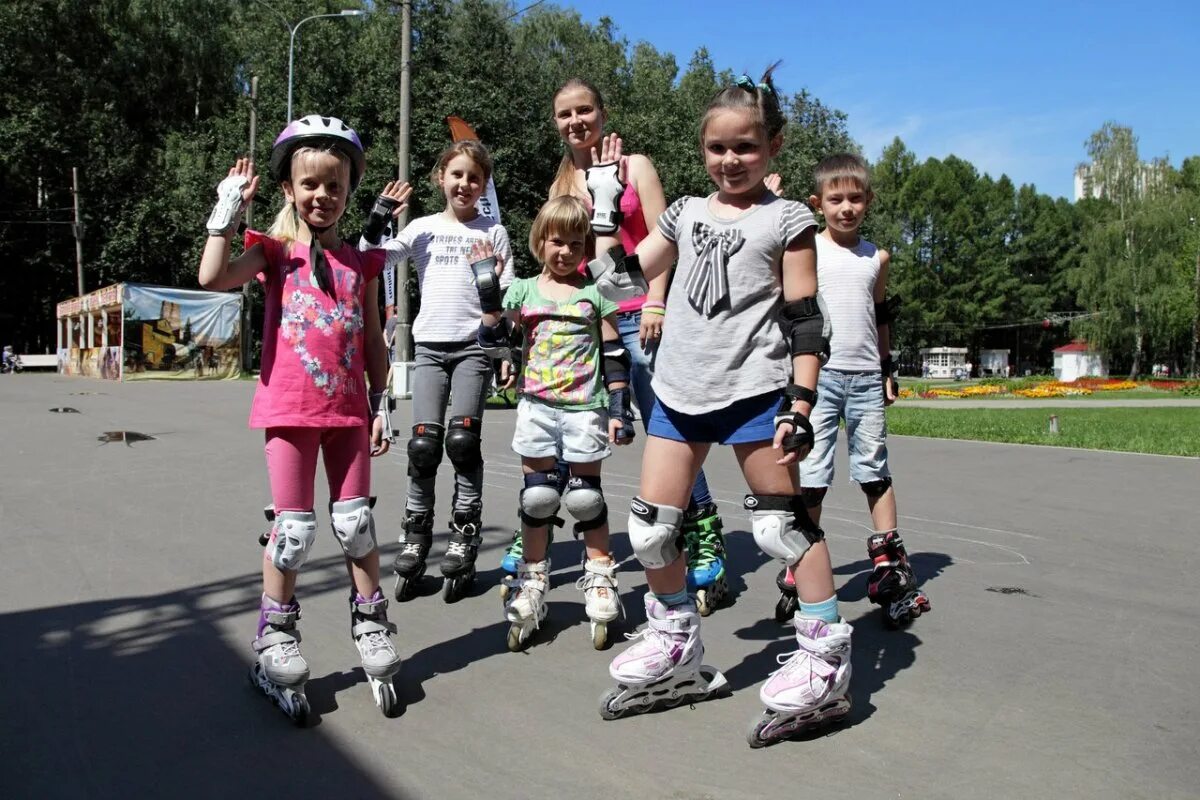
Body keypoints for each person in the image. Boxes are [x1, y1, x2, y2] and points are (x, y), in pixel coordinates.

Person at [584, 67, 851, 746]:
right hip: (680, 391)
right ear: (701, 150)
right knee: (650, 530)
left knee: (783, 530)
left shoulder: (788, 219)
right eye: (717, 149)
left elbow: (806, 319)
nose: (730, 161)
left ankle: (826, 656)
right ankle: (675, 638)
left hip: (756, 394)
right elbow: (620, 277)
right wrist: (600, 217)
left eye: (746, 148)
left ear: (774, 146)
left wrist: (801, 400)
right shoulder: (685, 213)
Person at [496, 78, 731, 616]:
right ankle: (534, 530)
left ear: (602, 113)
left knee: (669, 427)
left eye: (585, 110)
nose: (576, 121)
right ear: (555, 122)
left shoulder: (637, 166)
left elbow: (666, 237)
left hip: (636, 316)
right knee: (553, 430)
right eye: (564, 114)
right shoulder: (561, 180)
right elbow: (555, 254)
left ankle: (702, 535)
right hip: (580, 324)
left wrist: (656, 302)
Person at [198, 115, 399, 722]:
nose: (322, 196)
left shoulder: (360, 263)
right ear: (288, 187)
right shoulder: (273, 251)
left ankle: (370, 623)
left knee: (357, 523)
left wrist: (382, 401)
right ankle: (276, 635)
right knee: (293, 531)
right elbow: (211, 277)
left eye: (334, 186)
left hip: (348, 415)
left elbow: (373, 342)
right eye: (309, 184)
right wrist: (225, 212)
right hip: (288, 410)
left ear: (347, 192)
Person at [776, 153, 930, 629]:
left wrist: (887, 367)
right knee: (814, 472)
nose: (846, 207)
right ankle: (800, 560)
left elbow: (881, 315)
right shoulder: (807, 250)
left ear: (869, 201)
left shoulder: (876, 257)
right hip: (819, 378)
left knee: (874, 469)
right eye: (835, 198)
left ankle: (888, 562)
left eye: (856, 198)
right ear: (816, 203)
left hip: (864, 377)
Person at [478, 195, 634, 650]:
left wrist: (620, 410)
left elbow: (615, 354)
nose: (564, 251)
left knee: (586, 499)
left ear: (585, 246)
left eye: (574, 243)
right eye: (555, 242)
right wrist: (487, 287)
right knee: (539, 498)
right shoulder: (523, 290)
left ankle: (601, 574)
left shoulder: (595, 292)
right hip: (537, 406)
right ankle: (532, 578)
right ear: (539, 243)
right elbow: (493, 338)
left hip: (585, 407)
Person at [362, 141, 515, 603]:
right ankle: (415, 533)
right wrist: (377, 220)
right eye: (457, 175)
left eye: (474, 177)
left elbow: (504, 300)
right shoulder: (422, 229)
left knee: (462, 442)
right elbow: (369, 260)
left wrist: (504, 349)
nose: (465, 184)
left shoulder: (494, 231)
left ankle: (465, 532)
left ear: (483, 184)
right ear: (440, 178)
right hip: (429, 349)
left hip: (473, 349)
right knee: (424, 445)